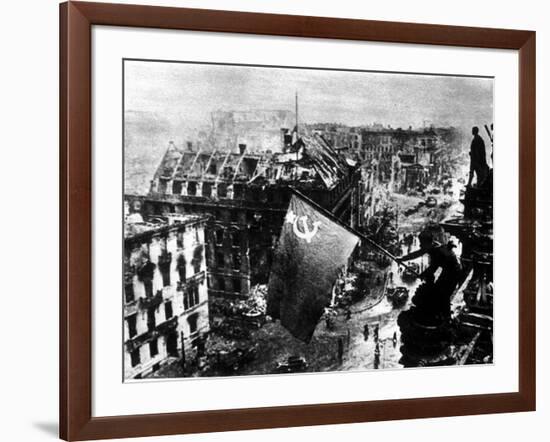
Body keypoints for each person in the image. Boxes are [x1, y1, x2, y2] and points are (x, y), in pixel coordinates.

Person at [398, 228, 462, 321]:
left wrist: (422, 275)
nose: (420, 245)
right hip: (447, 269)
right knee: (437, 289)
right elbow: (417, 254)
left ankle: (446, 317)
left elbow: (433, 268)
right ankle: (439, 310)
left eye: (422, 243)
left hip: (454, 271)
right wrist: (402, 259)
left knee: (444, 293)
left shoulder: (437, 251)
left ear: (428, 242)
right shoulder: (432, 246)